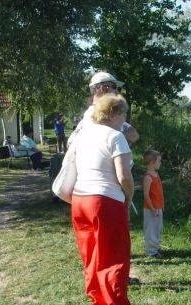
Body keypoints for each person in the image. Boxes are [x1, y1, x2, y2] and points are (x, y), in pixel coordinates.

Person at [71, 94, 134, 304]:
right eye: (124, 114)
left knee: (91, 255)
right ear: (114, 114)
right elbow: (124, 176)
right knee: (114, 256)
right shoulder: (116, 137)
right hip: (104, 201)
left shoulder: (83, 135)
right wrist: (129, 197)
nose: (125, 120)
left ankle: (97, 299)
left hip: (80, 200)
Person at [69, 71, 139, 146]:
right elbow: (133, 136)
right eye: (114, 87)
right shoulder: (99, 113)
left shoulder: (92, 113)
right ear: (103, 88)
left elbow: (134, 135)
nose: (117, 91)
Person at [142, 149, 165, 259]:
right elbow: (146, 195)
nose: (160, 163)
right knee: (150, 229)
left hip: (158, 207)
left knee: (157, 228)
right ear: (152, 162)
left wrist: (160, 207)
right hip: (151, 209)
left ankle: (155, 248)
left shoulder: (156, 174)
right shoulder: (148, 177)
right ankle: (151, 251)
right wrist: (152, 208)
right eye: (159, 161)